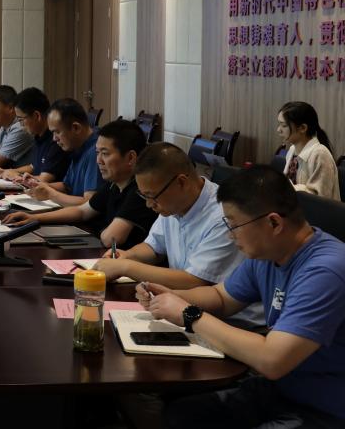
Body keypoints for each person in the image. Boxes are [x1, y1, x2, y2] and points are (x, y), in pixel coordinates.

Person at [144, 166, 345, 428]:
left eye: (234, 225)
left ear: (274, 223)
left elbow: (272, 359)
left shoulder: (326, 270)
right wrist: (171, 296)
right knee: (181, 414)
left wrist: (189, 314)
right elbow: (221, 297)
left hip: (324, 407)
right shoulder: (268, 254)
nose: (231, 234)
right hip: (279, 389)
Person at [93, 142, 249, 290]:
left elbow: (195, 281)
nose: (149, 204)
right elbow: (153, 248)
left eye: (152, 196)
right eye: (144, 196)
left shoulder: (224, 216)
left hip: (218, 308)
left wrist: (126, 267)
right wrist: (128, 255)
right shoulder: (172, 203)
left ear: (181, 182)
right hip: (178, 300)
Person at [4, 119, 156, 249]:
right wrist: (34, 218)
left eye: (105, 154)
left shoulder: (140, 190)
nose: (98, 161)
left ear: (130, 158)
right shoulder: (114, 184)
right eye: (97, 153)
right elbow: (82, 211)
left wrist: (101, 230)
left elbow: (111, 238)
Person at [24, 98, 104, 207]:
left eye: (57, 132)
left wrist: (50, 194)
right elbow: (67, 186)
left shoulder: (96, 151)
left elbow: (89, 204)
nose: (54, 139)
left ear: (76, 128)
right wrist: (39, 185)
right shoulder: (78, 146)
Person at [0, 87, 71, 183]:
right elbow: (33, 166)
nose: (21, 125)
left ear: (36, 116)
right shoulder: (39, 136)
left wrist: (16, 176)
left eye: (21, 120)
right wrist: (7, 171)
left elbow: (44, 180)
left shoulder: (55, 140)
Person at [277, 101, 340, 201]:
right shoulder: (292, 149)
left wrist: (287, 188)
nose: (278, 130)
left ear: (303, 128)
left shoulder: (320, 154)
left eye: (284, 125)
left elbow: (319, 199)